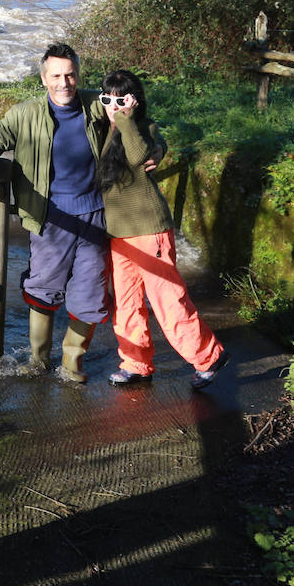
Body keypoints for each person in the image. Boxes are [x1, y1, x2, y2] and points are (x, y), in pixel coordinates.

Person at [0, 43, 110, 383]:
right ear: (44, 78)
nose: (65, 82)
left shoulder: (97, 105)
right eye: (57, 76)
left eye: (71, 74)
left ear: (79, 74)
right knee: (43, 289)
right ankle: (38, 360)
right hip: (49, 218)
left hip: (97, 216)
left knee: (92, 292)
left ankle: (72, 362)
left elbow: (141, 121)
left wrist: (156, 149)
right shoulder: (25, 114)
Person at [94, 69, 229, 390]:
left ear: (135, 101)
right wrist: (110, 110)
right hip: (117, 235)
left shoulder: (142, 127)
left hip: (149, 229)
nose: (112, 105)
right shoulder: (99, 129)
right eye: (106, 99)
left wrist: (126, 118)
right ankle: (136, 363)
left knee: (167, 299)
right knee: (126, 303)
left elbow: (140, 154)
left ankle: (209, 357)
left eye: (121, 99)